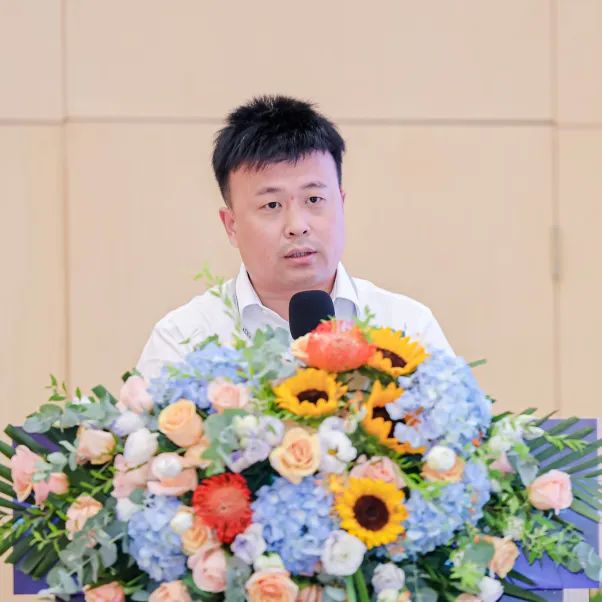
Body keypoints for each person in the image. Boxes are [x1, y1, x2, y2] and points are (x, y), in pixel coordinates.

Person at [136, 95, 452, 380]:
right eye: (272, 205)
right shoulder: (182, 341)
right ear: (231, 226)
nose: (297, 226)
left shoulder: (407, 327)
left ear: (341, 205)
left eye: (314, 199)